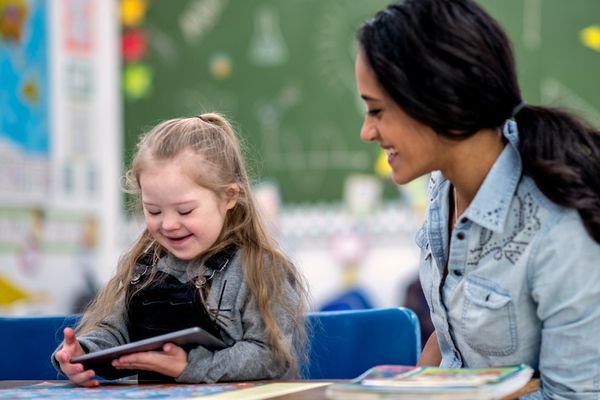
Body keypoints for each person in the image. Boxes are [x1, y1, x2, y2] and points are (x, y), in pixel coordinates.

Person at [355, 0, 600, 397]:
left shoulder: (560, 229)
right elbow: (455, 340)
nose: (367, 131)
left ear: (436, 101)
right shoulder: (443, 189)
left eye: (377, 111)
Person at [52, 113, 310, 386]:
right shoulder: (143, 267)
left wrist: (191, 367)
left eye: (185, 210)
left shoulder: (260, 269)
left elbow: (271, 356)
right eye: (153, 210)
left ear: (229, 196)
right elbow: (116, 333)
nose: (169, 224)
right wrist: (84, 353)